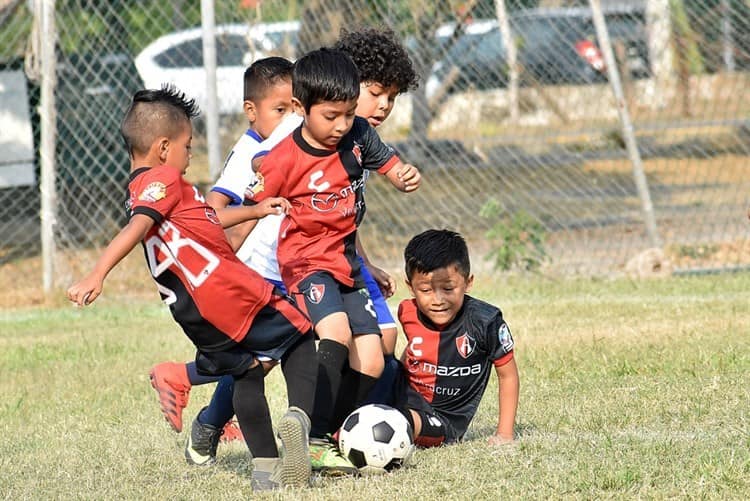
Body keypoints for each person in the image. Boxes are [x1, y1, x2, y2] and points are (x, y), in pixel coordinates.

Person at [66, 84, 315, 491]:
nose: (190, 153)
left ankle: (267, 473)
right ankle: (300, 419)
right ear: (163, 148)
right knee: (303, 332)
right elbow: (137, 227)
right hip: (229, 295)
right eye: (187, 145)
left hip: (194, 314)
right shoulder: (164, 179)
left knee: (248, 374)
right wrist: (97, 273)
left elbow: (204, 223)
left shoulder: (146, 189)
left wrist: (254, 209)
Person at [244, 47, 421, 475]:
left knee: (374, 356)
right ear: (301, 109)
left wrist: (402, 175)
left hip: (347, 261)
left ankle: (323, 433)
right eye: (330, 117)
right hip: (307, 263)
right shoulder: (287, 155)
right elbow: (257, 181)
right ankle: (312, 430)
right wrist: (263, 192)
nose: (341, 125)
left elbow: (386, 161)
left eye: (347, 114)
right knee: (335, 331)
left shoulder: (356, 134)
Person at [147, 57, 302, 466]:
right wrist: (250, 220)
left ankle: (207, 422)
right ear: (252, 111)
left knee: (260, 362)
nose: (291, 117)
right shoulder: (250, 151)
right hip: (256, 270)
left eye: (296, 108)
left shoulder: (294, 140)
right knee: (269, 354)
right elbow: (214, 208)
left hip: (284, 265)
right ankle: (185, 383)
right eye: (281, 109)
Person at [388, 229, 520, 447]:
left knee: (394, 422)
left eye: (448, 288)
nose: (438, 299)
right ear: (410, 287)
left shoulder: (485, 322)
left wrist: (504, 434)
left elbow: (508, 376)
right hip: (406, 397)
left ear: (468, 283)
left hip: (442, 420)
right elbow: (414, 348)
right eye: (426, 289)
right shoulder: (407, 311)